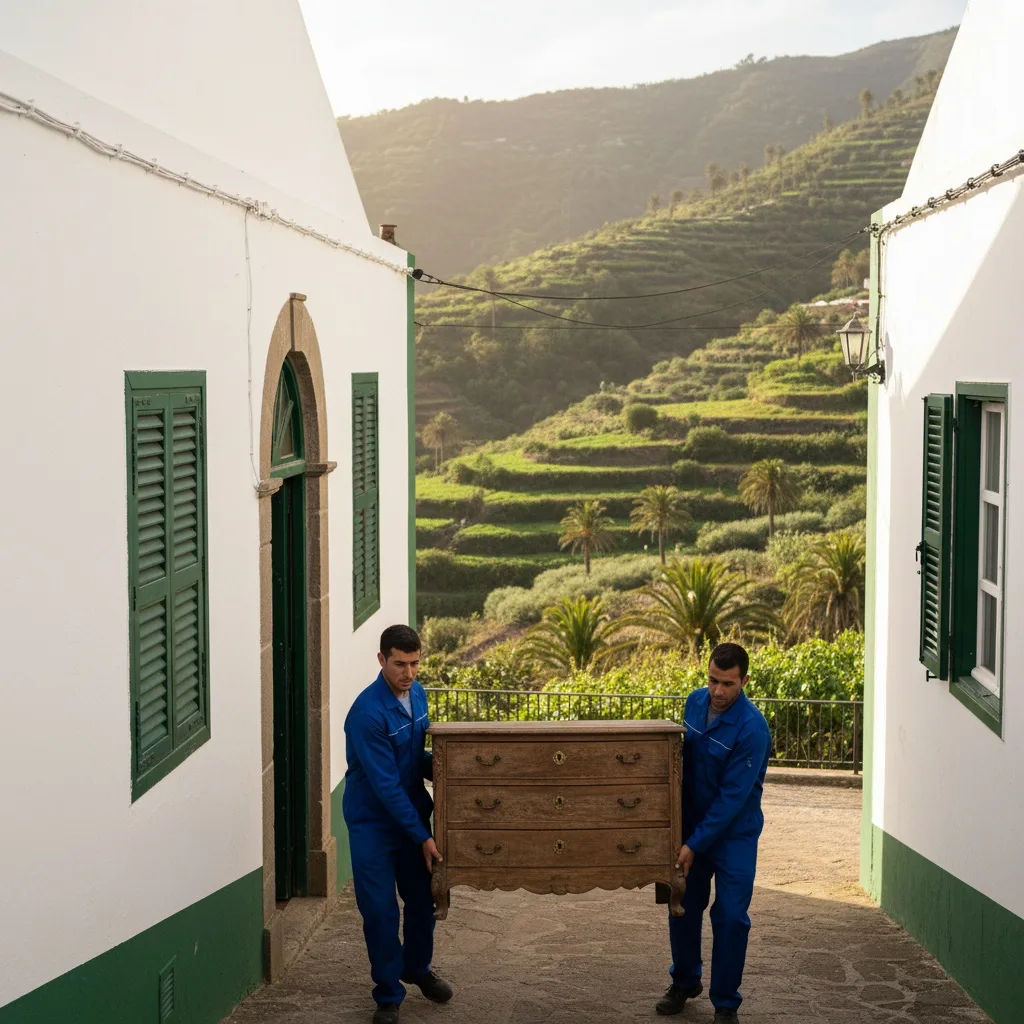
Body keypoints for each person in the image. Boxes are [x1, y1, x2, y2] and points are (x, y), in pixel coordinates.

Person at [343, 624, 453, 1024]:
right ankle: (388, 993)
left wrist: (452, 769)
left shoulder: (418, 694)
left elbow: (414, 758)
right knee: (380, 911)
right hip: (373, 824)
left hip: (410, 817)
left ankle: (417, 968)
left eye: (415, 663)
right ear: (381, 660)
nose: (408, 673)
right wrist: (423, 836)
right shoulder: (367, 713)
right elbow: (387, 785)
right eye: (400, 664)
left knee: (424, 900)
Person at [656, 642, 771, 1022]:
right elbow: (678, 764)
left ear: (744, 681)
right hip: (692, 826)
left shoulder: (753, 728)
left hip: (733, 834)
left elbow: (733, 798)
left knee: (731, 916)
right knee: (683, 904)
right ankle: (685, 981)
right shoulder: (693, 702)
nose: (718, 691)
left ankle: (725, 1002)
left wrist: (694, 843)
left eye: (727, 684)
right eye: (712, 680)